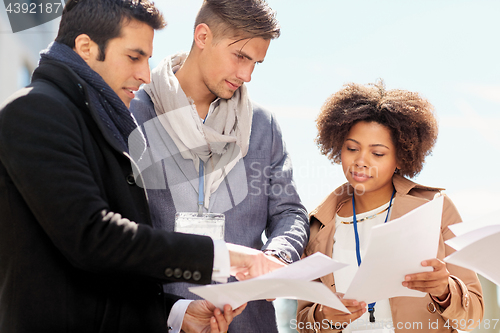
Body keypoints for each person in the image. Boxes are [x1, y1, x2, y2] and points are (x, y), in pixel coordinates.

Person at [0, 1, 286, 332]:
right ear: (86, 48)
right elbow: (96, 239)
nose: (145, 74)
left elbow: (111, 275)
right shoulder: (35, 111)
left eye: (148, 59)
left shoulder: (101, 122)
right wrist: (226, 257)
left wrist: (176, 313)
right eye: (134, 57)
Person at [129, 0, 309, 331]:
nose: (247, 75)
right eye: (240, 56)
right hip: (159, 319)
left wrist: (278, 257)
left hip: (248, 322)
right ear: (202, 36)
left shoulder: (263, 126)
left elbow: (290, 213)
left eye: (256, 62)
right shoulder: (133, 115)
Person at [296, 81, 484, 333]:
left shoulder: (435, 208)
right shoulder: (319, 225)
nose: (361, 161)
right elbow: (303, 323)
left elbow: (473, 318)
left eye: (378, 153)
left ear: (400, 158)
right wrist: (324, 315)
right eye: (352, 148)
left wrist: (444, 290)